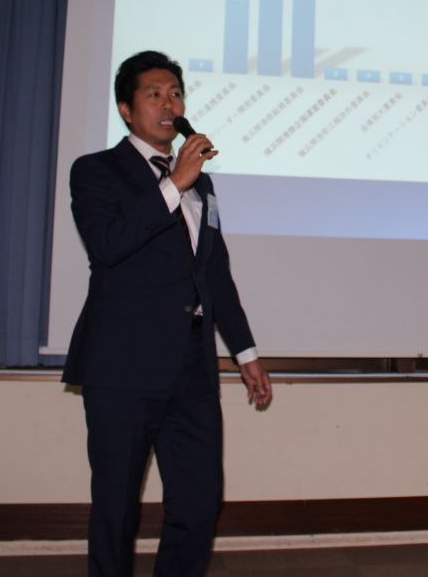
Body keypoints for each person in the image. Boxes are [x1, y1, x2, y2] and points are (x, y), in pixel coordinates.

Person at [62, 50, 272, 577]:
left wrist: (245, 352)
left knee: (200, 500)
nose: (168, 104)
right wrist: (173, 183)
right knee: (117, 505)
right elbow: (107, 244)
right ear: (126, 109)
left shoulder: (202, 183)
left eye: (175, 93)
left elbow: (214, 272)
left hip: (192, 364)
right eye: (153, 94)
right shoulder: (96, 171)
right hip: (122, 363)